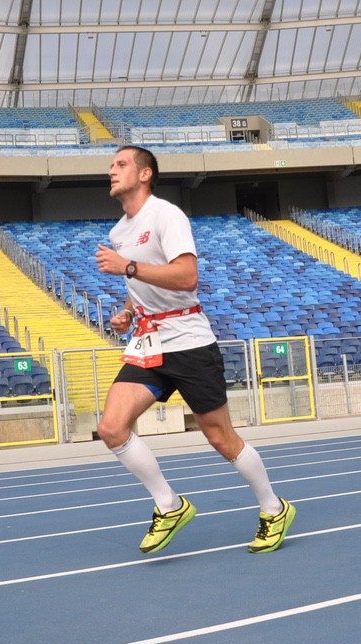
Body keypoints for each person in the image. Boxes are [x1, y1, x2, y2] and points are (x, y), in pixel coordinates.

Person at [94, 145, 295, 554]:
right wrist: (128, 311)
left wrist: (127, 266)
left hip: (188, 340)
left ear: (145, 174)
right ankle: (169, 504)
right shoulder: (119, 233)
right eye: (111, 165)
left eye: (121, 164)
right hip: (149, 343)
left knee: (221, 438)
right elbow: (141, 282)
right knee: (112, 428)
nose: (111, 170)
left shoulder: (166, 215)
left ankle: (274, 508)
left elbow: (186, 277)